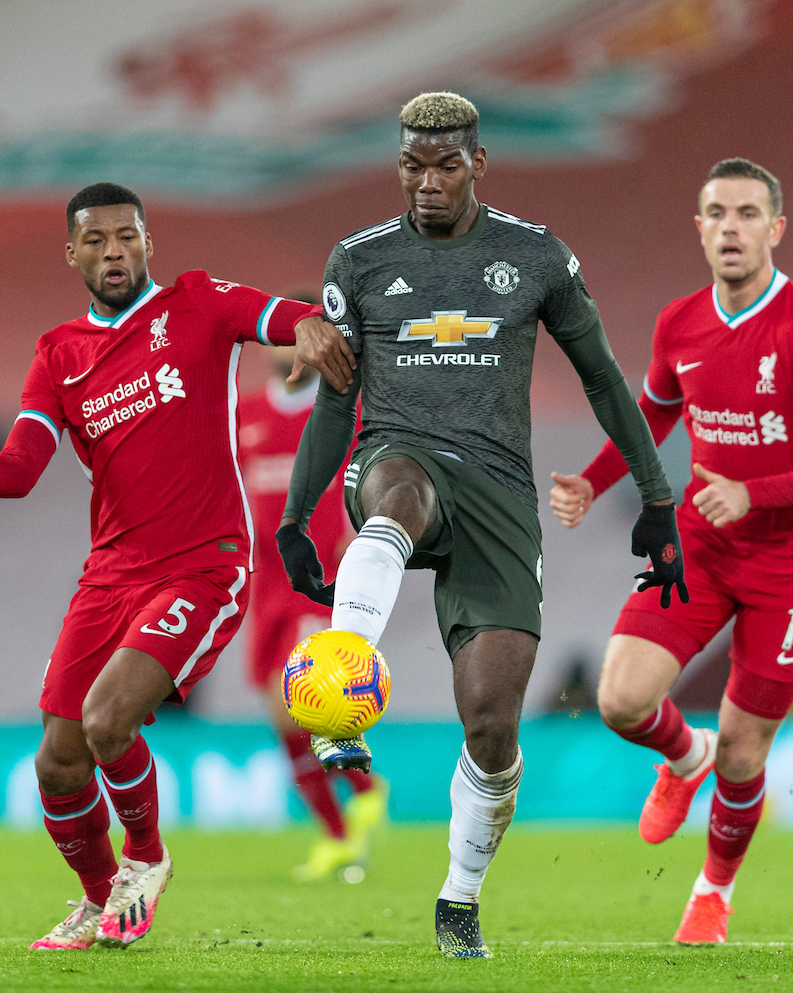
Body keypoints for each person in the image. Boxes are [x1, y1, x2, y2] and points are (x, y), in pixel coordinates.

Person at [275, 92, 685, 958]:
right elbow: (334, 403)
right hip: (399, 453)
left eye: (445, 165)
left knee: (491, 725)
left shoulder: (535, 256)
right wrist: (293, 516)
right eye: (412, 166)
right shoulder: (358, 260)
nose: (427, 183)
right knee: (396, 497)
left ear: (478, 163)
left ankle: (458, 899)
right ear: (398, 165)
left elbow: (607, 379)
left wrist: (656, 497)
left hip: (499, 489)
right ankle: (339, 702)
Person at [0, 182, 352, 951]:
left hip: (203, 567)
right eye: (98, 241)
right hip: (109, 576)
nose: (115, 252)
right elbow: (19, 468)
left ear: (148, 243)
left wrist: (309, 329)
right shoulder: (58, 354)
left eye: (128, 237)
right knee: (57, 761)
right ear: (72, 252)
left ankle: (145, 857)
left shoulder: (197, 303)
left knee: (109, 720)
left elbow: (280, 316)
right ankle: (98, 897)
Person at [549, 158, 793, 943]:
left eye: (747, 213)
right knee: (621, 700)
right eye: (716, 214)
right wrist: (596, 484)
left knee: (745, 749)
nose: (731, 227)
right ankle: (681, 754)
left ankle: (711, 893)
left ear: (775, 229)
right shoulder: (680, 323)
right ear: (699, 228)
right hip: (702, 542)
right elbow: (649, 418)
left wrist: (753, 494)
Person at [240, 342, 388, 881]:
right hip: (264, 585)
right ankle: (342, 827)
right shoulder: (246, 415)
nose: (292, 352)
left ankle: (359, 798)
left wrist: (360, 534)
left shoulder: (342, 414)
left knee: (302, 702)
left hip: (318, 579)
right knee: (277, 713)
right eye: (282, 339)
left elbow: (373, 482)